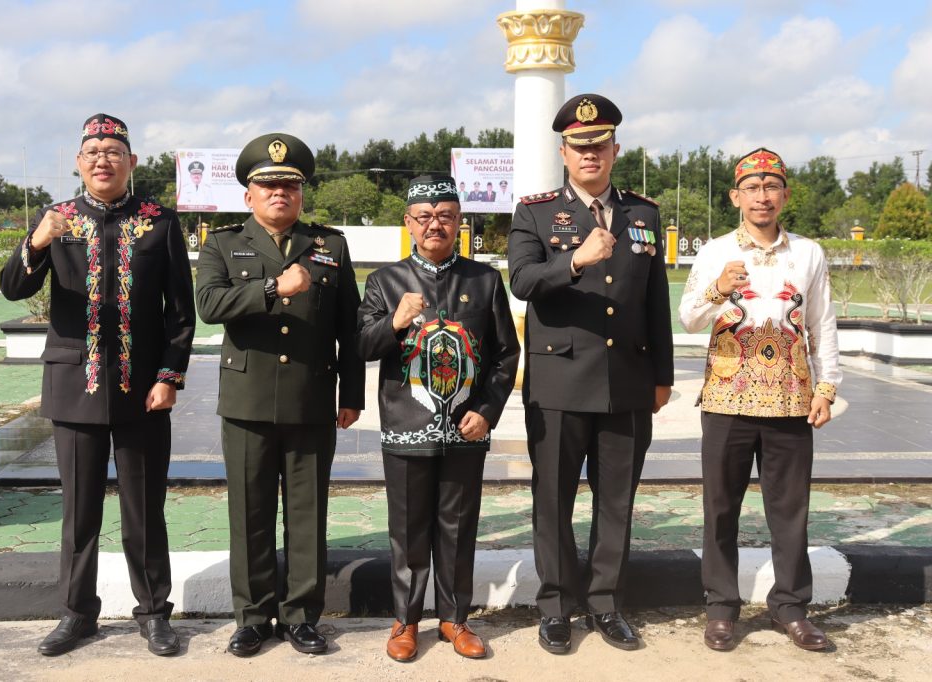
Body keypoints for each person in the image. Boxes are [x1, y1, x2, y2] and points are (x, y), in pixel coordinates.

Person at [0, 113, 196, 657]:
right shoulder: (56, 218)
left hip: (143, 390)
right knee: (79, 511)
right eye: (92, 152)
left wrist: (170, 375)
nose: (102, 160)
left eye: (113, 152)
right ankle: (76, 614)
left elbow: (181, 312)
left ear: (131, 162)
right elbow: (13, 288)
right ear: (78, 162)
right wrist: (37, 242)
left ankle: (153, 613)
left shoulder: (159, 221)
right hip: (75, 386)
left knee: (144, 509)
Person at [507, 93, 674, 654]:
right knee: (553, 501)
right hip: (559, 383)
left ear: (615, 150)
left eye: (599, 145)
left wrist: (662, 375)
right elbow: (522, 282)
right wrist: (575, 259)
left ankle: (606, 604)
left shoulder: (643, 214)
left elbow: (655, 301)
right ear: (564, 153)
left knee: (616, 501)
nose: (589, 155)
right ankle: (556, 608)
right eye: (579, 147)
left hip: (627, 381)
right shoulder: (534, 212)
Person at [195, 132, 365, 658]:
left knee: (307, 514)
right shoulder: (222, 243)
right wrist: (272, 289)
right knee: (250, 514)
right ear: (249, 195)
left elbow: (350, 326)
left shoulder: (330, 246)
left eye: (289, 186)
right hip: (246, 401)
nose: (279, 194)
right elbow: (210, 304)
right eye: (268, 185)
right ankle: (252, 618)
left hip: (311, 397)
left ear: (301, 193)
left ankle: (301, 617)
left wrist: (351, 393)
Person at [678, 147, 841, 652]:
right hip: (727, 398)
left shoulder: (808, 253)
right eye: (752, 188)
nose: (762, 196)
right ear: (736, 197)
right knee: (720, 508)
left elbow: (822, 324)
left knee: (790, 511)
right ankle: (721, 608)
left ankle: (791, 607)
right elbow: (688, 319)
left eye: (771, 187)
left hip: (791, 400)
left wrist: (826, 387)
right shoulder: (715, 252)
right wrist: (718, 289)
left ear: (785, 195)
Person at [356, 174, 519, 662]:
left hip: (466, 431)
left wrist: (486, 411)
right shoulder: (384, 282)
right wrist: (395, 321)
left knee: (458, 527)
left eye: (445, 216)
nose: (435, 225)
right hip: (407, 429)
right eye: (424, 217)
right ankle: (406, 621)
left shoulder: (484, 281)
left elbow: (505, 356)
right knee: (408, 533)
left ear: (459, 222)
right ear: (408, 223)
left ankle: (455, 618)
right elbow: (362, 346)